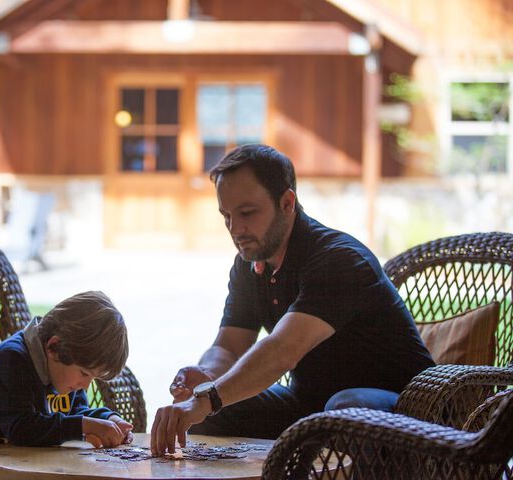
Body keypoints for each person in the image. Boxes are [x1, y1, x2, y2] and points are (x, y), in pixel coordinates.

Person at [150, 144, 434, 456]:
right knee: (212, 415)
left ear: (287, 202)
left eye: (247, 213)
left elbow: (282, 351)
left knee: (345, 409)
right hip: (309, 407)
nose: (235, 229)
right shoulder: (249, 263)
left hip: (404, 408)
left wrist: (206, 400)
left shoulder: (338, 258)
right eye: (226, 215)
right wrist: (204, 380)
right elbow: (229, 346)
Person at [0, 291, 133, 479]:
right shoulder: (11, 359)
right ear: (54, 347)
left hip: (18, 463)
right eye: (84, 373)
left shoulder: (64, 375)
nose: (85, 386)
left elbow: (76, 414)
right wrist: (83, 426)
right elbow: (20, 428)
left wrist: (109, 419)